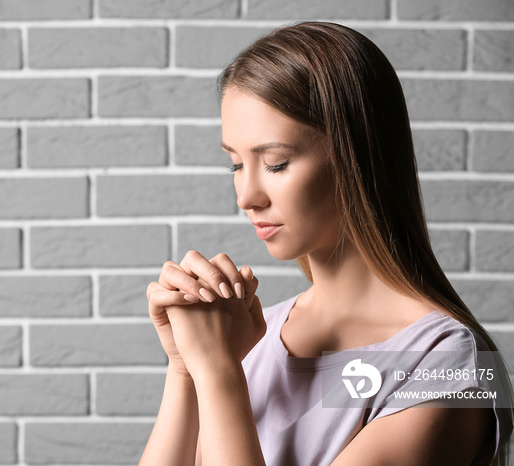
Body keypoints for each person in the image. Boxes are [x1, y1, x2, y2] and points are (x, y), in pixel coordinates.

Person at [139, 22, 513, 466]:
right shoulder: (248, 336)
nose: (246, 197)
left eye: (276, 164)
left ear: (356, 156)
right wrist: (185, 367)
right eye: (236, 165)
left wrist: (219, 375)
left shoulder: (451, 366)